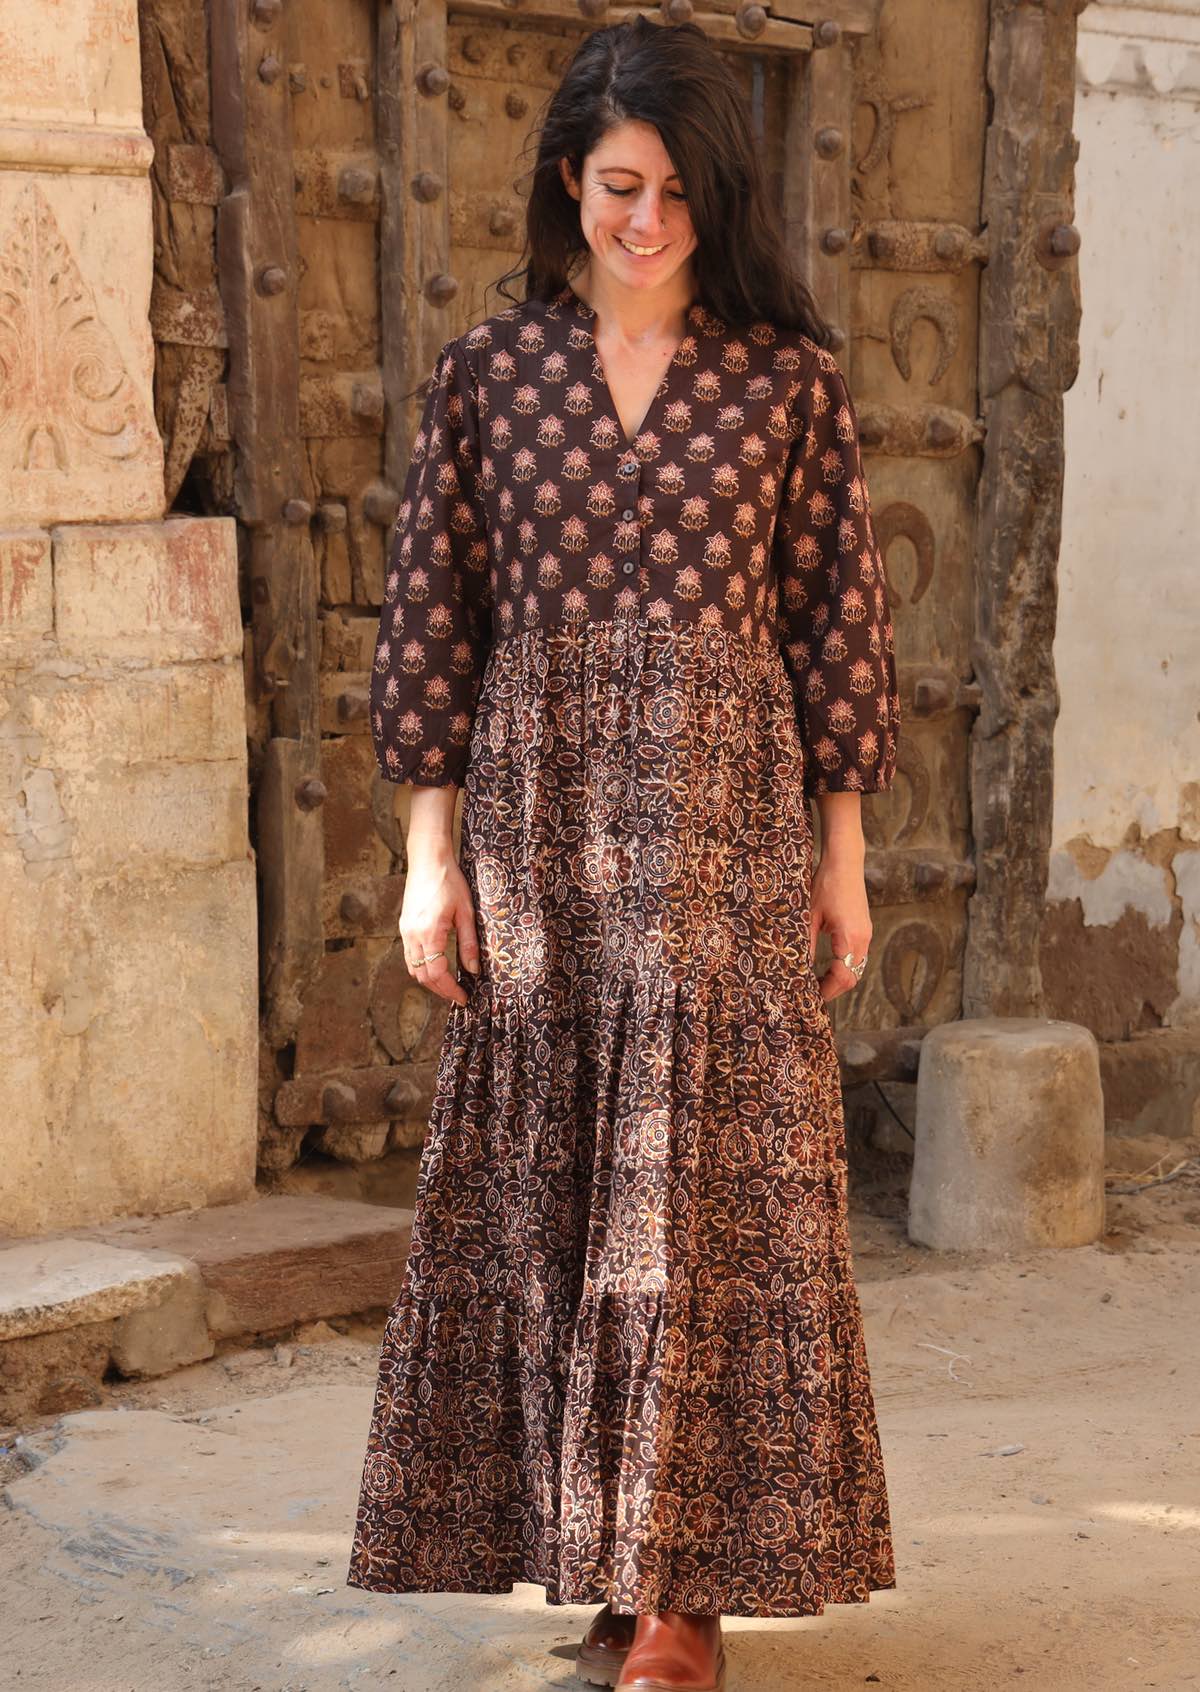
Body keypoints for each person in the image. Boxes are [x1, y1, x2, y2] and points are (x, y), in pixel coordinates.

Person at [346, 16, 900, 1691]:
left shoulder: (786, 379)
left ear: (712, 195)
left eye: (667, 190)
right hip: (540, 826)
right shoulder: (486, 374)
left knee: (700, 1197)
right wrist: (429, 860)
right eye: (611, 186)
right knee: (565, 1195)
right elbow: (435, 621)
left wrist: (844, 854)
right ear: (566, 185)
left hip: (725, 821)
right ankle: (610, 1557)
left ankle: (681, 1597)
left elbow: (838, 626)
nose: (639, 220)